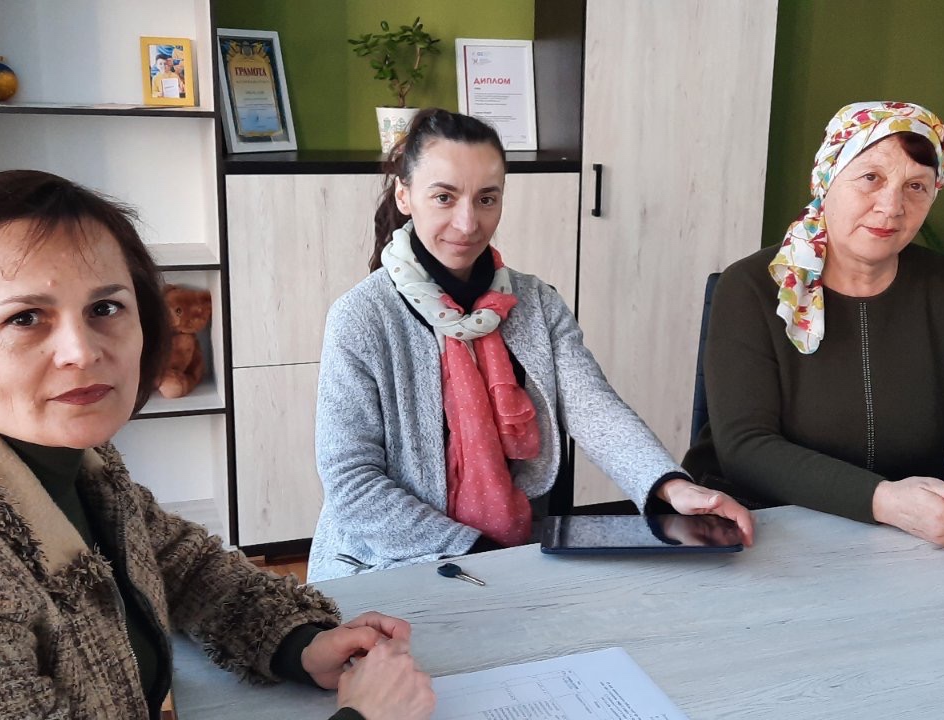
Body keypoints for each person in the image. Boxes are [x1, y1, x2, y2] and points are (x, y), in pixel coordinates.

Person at [0, 170, 434, 720]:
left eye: (105, 308)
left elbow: (182, 564)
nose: (82, 351)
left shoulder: (66, 462)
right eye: (25, 318)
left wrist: (299, 643)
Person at [309, 108, 756, 581]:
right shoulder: (360, 318)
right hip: (382, 563)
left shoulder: (536, 302)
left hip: (507, 553)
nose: (467, 222)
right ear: (405, 195)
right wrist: (481, 554)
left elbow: (593, 406)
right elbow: (352, 483)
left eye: (487, 198)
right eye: (444, 197)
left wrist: (671, 486)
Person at [683, 101, 944, 555]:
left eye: (916, 186)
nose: (892, 206)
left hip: (907, 543)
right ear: (826, 179)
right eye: (871, 178)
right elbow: (746, 447)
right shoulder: (752, 286)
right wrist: (885, 501)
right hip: (758, 527)